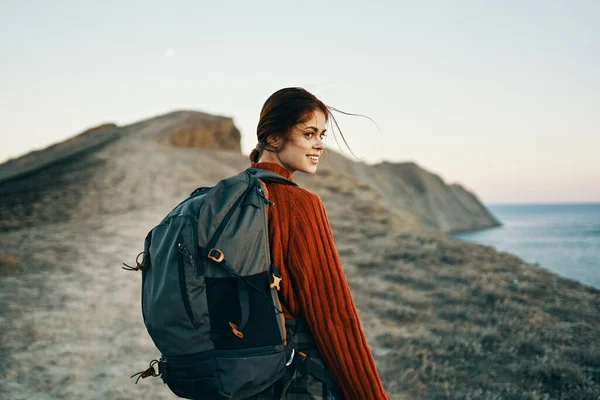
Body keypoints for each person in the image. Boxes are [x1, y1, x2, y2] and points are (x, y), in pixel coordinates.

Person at [246, 87, 389, 400]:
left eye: (322, 135)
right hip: (289, 381)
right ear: (272, 137)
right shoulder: (299, 204)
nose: (320, 145)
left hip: (235, 376)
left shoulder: (227, 199)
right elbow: (334, 317)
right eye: (309, 133)